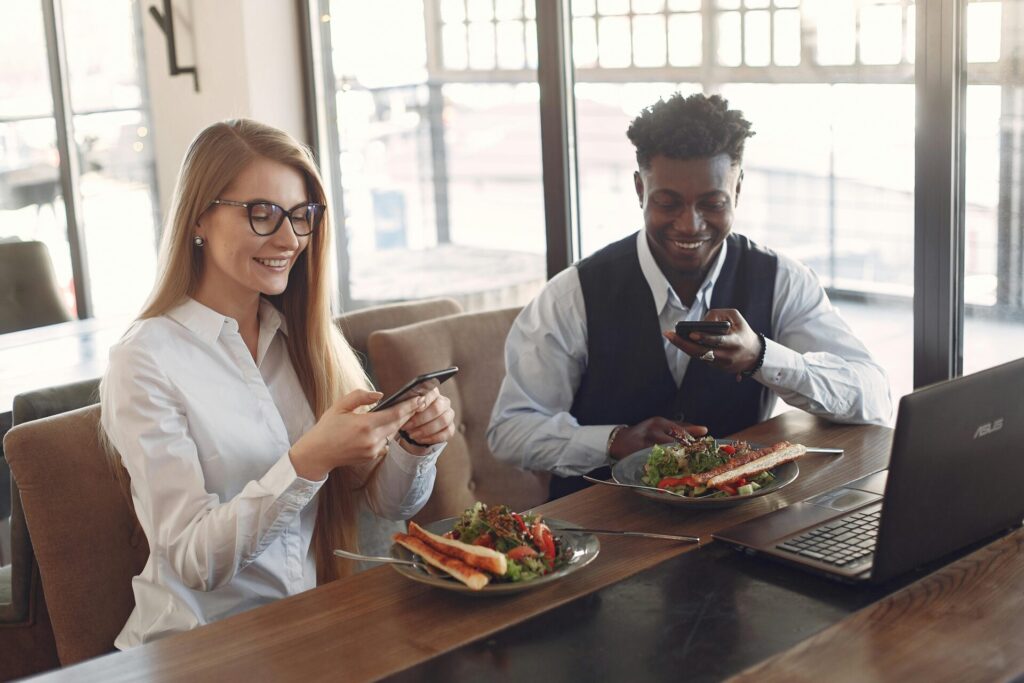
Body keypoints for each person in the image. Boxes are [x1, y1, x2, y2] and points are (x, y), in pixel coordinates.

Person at [99, 119, 455, 648]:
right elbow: (194, 563)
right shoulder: (145, 360)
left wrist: (414, 446)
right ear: (199, 217)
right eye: (261, 214)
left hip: (303, 633)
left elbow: (387, 503)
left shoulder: (305, 341)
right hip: (195, 650)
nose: (290, 239)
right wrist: (307, 461)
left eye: (300, 216)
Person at [487, 93, 891, 499]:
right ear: (640, 188)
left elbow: (871, 398)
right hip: (602, 521)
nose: (690, 225)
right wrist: (613, 441)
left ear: (738, 189)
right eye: (668, 203)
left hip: (737, 519)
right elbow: (510, 431)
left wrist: (761, 357)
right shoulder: (571, 294)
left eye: (712, 204)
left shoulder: (782, 280)